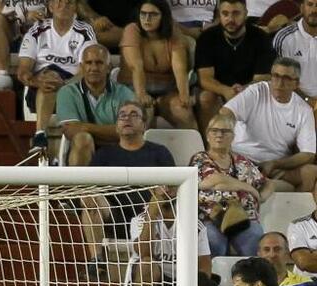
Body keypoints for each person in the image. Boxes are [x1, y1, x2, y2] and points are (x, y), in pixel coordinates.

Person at [83, 101, 174, 275]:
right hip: (114, 217)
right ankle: (96, 260)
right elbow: (90, 186)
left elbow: (171, 190)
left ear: (144, 125)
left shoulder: (159, 153)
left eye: (134, 114)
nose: (127, 119)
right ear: (117, 126)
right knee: (90, 197)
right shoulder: (104, 155)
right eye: (122, 115)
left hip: (149, 218)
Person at [219, 57, 317, 193]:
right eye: (275, 76)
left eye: (286, 78)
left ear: (296, 84)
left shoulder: (304, 110)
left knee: (311, 172)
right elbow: (226, 113)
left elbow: (308, 154)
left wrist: (275, 164)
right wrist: (226, 145)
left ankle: (297, 213)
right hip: (241, 157)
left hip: (275, 166)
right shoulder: (257, 91)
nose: (279, 83)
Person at [129, 186, 213, 286]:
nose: (167, 191)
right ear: (154, 192)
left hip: (184, 282)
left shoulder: (194, 224)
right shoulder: (140, 219)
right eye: (163, 187)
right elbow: (143, 252)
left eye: (172, 187)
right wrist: (151, 217)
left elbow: (204, 264)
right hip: (152, 283)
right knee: (147, 264)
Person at [192, 113, 280, 258]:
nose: (219, 135)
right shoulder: (200, 158)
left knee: (255, 237)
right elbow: (212, 181)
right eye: (214, 131)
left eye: (225, 131)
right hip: (211, 217)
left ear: (232, 137)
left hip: (243, 217)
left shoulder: (242, 161)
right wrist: (250, 189)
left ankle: (251, 278)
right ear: (207, 136)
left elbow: (268, 182)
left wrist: (262, 197)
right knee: (213, 242)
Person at [16, 0, 96, 147]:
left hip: (73, 85)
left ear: (75, 9)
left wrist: (65, 85)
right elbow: (23, 70)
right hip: (39, 84)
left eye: (69, 3)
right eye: (58, 2)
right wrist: (36, 81)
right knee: (49, 78)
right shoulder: (37, 29)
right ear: (50, 7)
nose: (64, 5)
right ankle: (41, 136)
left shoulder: (85, 30)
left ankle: (40, 136)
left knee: (52, 78)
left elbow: (86, 70)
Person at [195, 0, 276, 133]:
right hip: (218, 91)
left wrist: (244, 90)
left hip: (250, 89)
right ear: (219, 15)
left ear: (246, 14)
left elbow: (263, 77)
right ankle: (210, 146)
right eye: (225, 14)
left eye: (236, 13)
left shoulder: (260, 38)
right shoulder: (207, 38)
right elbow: (204, 78)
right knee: (206, 97)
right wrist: (226, 90)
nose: (230, 19)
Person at [117, 1, 195, 130]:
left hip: (167, 90)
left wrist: (184, 95)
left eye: (153, 15)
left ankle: (197, 149)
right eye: (143, 14)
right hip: (134, 88)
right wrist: (141, 94)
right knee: (141, 112)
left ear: (163, 16)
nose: (147, 19)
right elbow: (136, 67)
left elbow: (180, 68)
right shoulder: (132, 29)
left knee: (183, 112)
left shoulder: (172, 31)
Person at [55, 43, 135, 166]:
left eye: (99, 63)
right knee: (82, 139)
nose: (94, 68)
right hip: (82, 150)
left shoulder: (124, 93)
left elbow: (128, 131)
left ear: (108, 67)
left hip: (118, 151)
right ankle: (80, 186)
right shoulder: (67, 92)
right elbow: (71, 131)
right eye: (88, 63)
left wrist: (85, 127)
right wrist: (111, 132)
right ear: (81, 67)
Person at [0, 0, 48, 91]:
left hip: (41, 32)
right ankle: (3, 74)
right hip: (14, 34)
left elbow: (60, 6)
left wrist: (44, 14)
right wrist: (20, 14)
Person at [273, 0, 317, 102]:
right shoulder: (284, 38)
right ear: (302, 8)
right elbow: (281, 78)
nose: (314, 10)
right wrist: (307, 100)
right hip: (295, 100)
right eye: (310, 4)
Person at [287, 204, 317, 278]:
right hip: (307, 284)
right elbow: (304, 262)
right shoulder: (298, 225)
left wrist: (313, 254)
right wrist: (309, 258)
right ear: (314, 195)